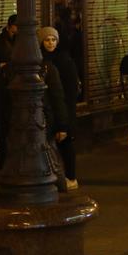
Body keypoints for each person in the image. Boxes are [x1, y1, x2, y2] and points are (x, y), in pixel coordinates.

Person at [40, 27, 80, 191]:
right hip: (48, 110)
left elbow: (71, 91)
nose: (50, 43)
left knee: (65, 143)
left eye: (53, 39)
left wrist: (65, 119)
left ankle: (71, 177)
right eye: (47, 40)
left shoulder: (64, 60)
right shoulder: (39, 59)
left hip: (63, 108)